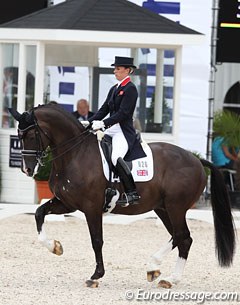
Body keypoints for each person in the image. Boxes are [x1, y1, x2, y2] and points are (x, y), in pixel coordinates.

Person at [82, 56, 146, 206]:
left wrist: (103, 124)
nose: (114, 71)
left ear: (127, 70)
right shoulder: (114, 88)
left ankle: (132, 193)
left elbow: (123, 114)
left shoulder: (131, 89)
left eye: (118, 68)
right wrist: (89, 123)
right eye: (115, 68)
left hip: (122, 131)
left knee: (116, 157)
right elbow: (104, 109)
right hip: (111, 129)